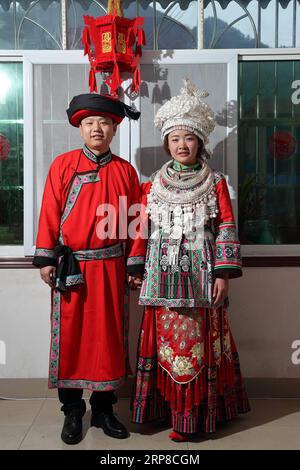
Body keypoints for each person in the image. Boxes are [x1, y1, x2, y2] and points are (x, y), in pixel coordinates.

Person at [132, 79, 250, 442]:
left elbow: (227, 227)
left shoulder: (215, 182)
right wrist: (136, 265)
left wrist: (223, 274)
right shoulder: (153, 184)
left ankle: (194, 417)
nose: (182, 145)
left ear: (199, 142)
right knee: (165, 342)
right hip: (161, 278)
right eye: (175, 139)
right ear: (167, 144)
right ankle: (161, 411)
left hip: (201, 280)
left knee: (194, 345)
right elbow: (141, 228)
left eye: (189, 138)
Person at [33, 93, 144, 445]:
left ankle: (104, 409)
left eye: (104, 123)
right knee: (71, 338)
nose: (97, 128)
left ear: (114, 129)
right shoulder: (63, 165)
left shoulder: (126, 171)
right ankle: (72, 411)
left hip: (111, 267)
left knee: (108, 339)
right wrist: (47, 257)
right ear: (80, 129)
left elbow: (137, 221)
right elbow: (50, 212)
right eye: (89, 123)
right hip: (72, 268)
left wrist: (134, 262)